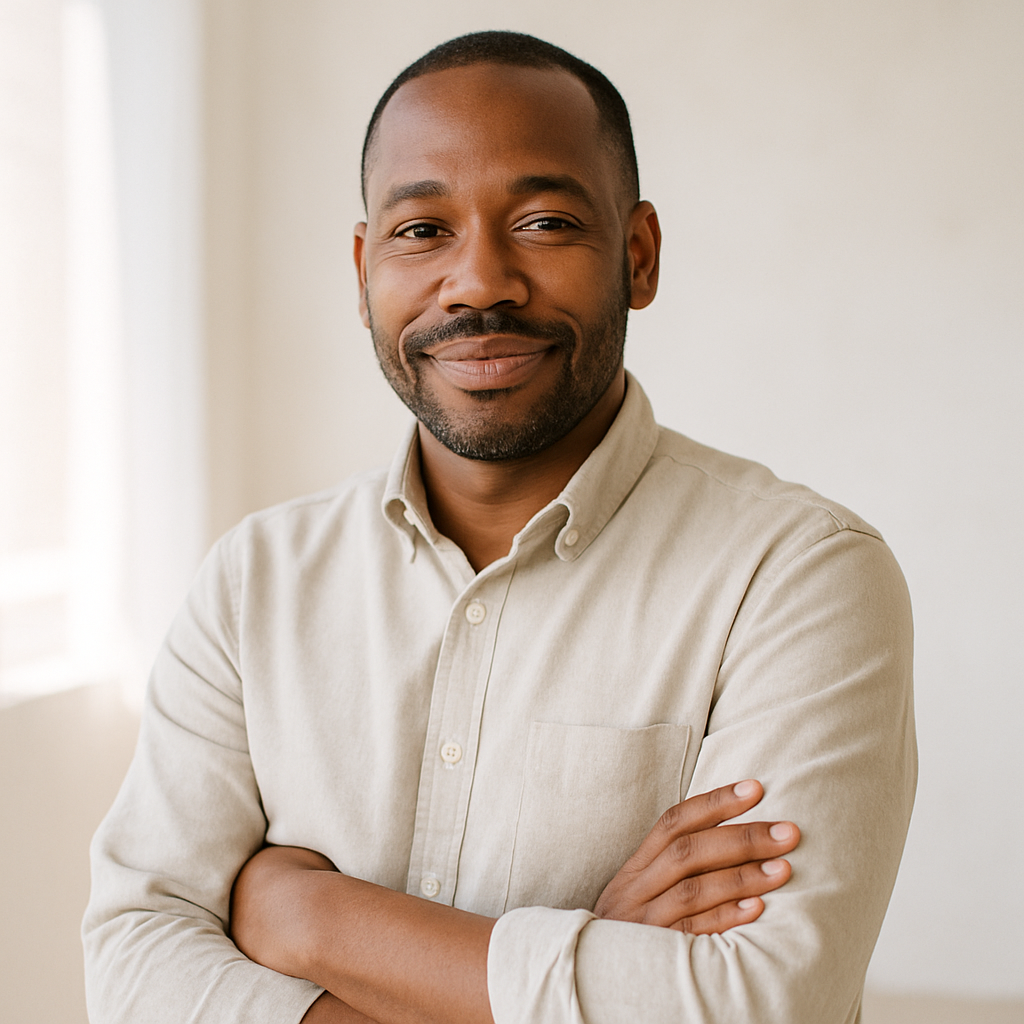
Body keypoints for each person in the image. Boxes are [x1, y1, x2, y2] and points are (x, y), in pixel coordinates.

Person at [83, 30, 916, 1024]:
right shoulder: (252, 580)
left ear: (638, 255)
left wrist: (312, 917)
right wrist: (586, 963)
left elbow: (760, 1003)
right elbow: (132, 960)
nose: (479, 282)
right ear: (363, 271)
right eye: (422, 230)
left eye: (544, 221)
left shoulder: (798, 575)